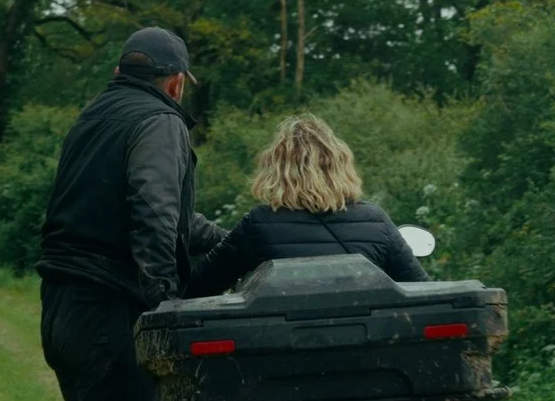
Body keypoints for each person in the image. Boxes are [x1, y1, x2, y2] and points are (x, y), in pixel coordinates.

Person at [36, 27, 226, 401]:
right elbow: (154, 215)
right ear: (175, 82)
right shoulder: (161, 122)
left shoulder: (94, 117)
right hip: (107, 310)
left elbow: (175, 222)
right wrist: (165, 310)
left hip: (65, 307)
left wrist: (239, 242)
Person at [182, 115, 428, 298]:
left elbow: (198, 287)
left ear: (276, 169)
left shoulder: (259, 225)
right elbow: (422, 293)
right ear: (341, 165)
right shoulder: (376, 221)